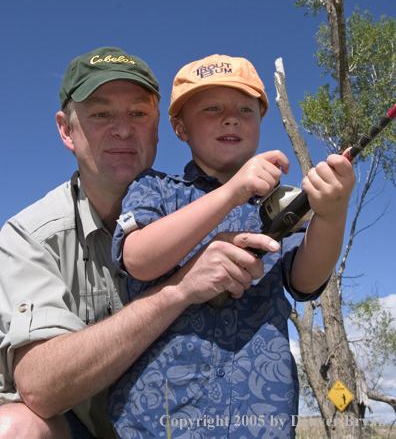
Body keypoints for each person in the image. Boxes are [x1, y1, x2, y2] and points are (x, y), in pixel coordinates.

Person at [0, 48, 274, 439]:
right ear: (66, 130)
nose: (123, 129)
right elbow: (41, 388)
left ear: (159, 128)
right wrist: (178, 290)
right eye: (100, 114)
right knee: (15, 428)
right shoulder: (30, 235)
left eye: (139, 113)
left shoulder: (211, 207)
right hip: (75, 429)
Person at [109, 54, 356, 438]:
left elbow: (306, 282)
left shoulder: (281, 204)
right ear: (179, 127)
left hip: (260, 421)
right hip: (160, 421)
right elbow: (138, 259)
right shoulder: (154, 188)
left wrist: (332, 214)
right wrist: (232, 192)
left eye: (246, 108)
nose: (231, 117)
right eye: (212, 108)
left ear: (260, 122)